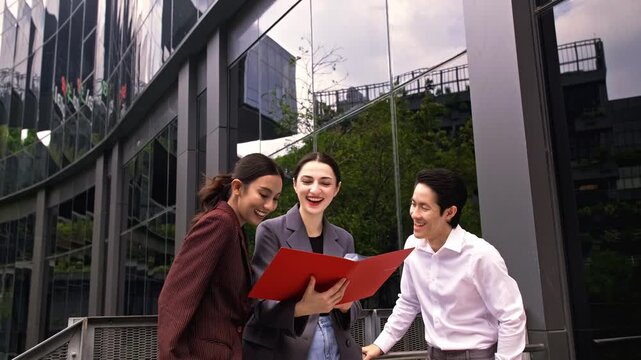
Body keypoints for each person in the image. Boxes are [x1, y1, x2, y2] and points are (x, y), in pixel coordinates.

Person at [362, 168, 527, 360]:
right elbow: (408, 302)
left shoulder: (480, 255)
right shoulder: (412, 246)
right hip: (433, 354)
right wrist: (380, 344)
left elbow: (512, 316)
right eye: (413, 204)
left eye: (424, 207)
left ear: (449, 212)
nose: (414, 214)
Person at [157, 153, 284, 360]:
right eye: (263, 194)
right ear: (237, 188)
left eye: (275, 199)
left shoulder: (235, 230)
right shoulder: (220, 224)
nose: (269, 206)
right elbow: (174, 298)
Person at [243, 152, 362, 360]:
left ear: (337, 189)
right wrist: (302, 308)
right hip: (287, 346)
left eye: (325, 183)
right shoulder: (270, 231)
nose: (315, 190)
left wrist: (346, 306)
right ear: (295, 184)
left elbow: (356, 302)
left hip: (335, 345)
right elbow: (260, 306)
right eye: (307, 181)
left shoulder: (344, 238)